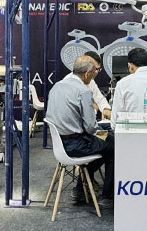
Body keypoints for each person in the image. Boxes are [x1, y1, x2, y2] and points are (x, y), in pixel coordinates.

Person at [46, 55, 115, 203]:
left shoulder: (57, 86)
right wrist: (104, 132)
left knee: (107, 138)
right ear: (87, 74)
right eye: (94, 72)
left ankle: (82, 185)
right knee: (113, 143)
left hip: (59, 143)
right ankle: (107, 196)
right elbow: (91, 128)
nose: (95, 75)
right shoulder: (83, 91)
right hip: (77, 144)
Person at [82, 50, 111, 120]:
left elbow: (99, 98)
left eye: (98, 69)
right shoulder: (70, 83)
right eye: (94, 69)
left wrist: (106, 109)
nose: (96, 72)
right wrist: (94, 109)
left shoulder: (90, 81)